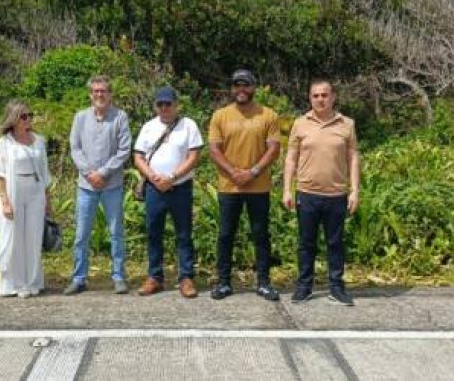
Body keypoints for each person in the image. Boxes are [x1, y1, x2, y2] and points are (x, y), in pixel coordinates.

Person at [282, 79, 360, 306]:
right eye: (315, 95)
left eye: (324, 95)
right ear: (310, 98)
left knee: (335, 243)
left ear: (333, 97)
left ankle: (336, 287)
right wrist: (287, 189)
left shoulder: (347, 124)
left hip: (337, 195)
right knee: (306, 243)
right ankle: (304, 286)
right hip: (307, 194)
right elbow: (291, 158)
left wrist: (355, 190)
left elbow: (353, 157)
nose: (320, 99)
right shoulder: (300, 123)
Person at [208, 69, 281, 301]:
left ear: (253, 88)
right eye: (237, 85)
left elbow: (274, 148)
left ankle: (263, 283)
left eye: (246, 85)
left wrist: (252, 172)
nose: (241, 90)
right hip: (229, 187)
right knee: (226, 234)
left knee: (260, 234)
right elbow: (214, 149)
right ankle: (223, 282)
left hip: (259, 186)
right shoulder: (220, 115)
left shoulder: (268, 115)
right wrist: (234, 173)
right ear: (231, 89)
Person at [133, 86, 204, 298]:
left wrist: (171, 177)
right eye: (160, 104)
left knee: (184, 233)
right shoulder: (148, 127)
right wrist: (154, 178)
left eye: (168, 104)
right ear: (156, 106)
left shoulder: (188, 125)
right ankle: (155, 277)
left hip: (180, 187)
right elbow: (138, 157)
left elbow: (194, 157)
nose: (164, 108)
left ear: (176, 104)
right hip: (155, 188)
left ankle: (186, 277)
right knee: (154, 232)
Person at [64, 76, 133, 295]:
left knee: (116, 232)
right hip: (86, 185)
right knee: (82, 234)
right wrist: (89, 173)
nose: (100, 95)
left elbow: (124, 150)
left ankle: (119, 276)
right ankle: (79, 277)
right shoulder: (80, 117)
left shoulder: (120, 117)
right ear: (90, 94)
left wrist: (103, 173)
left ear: (110, 94)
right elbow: (74, 148)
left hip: (112, 184)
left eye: (103, 91)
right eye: (96, 91)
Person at [0, 101, 52, 298]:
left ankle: (33, 281)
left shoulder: (39, 141)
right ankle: (14, 284)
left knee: (33, 237)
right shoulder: (4, 143)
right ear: (14, 118)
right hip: (13, 189)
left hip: (35, 190)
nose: (29, 119)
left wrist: (47, 199)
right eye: (24, 116)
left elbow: (44, 172)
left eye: (30, 115)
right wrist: (5, 202)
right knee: (14, 236)